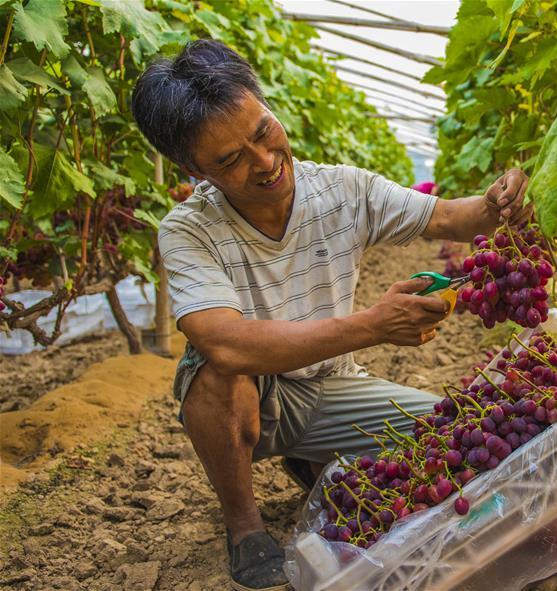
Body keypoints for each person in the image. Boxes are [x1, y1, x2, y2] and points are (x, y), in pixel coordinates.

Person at [131, 40, 531, 591]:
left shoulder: (342, 190)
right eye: (230, 160)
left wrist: (501, 200)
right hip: (252, 399)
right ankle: (244, 526)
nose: (265, 162)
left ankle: (312, 455)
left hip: (329, 387)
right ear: (192, 169)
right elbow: (222, 341)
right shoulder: (187, 230)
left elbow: (449, 218)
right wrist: (372, 324)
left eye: (263, 132)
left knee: (459, 440)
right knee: (211, 368)